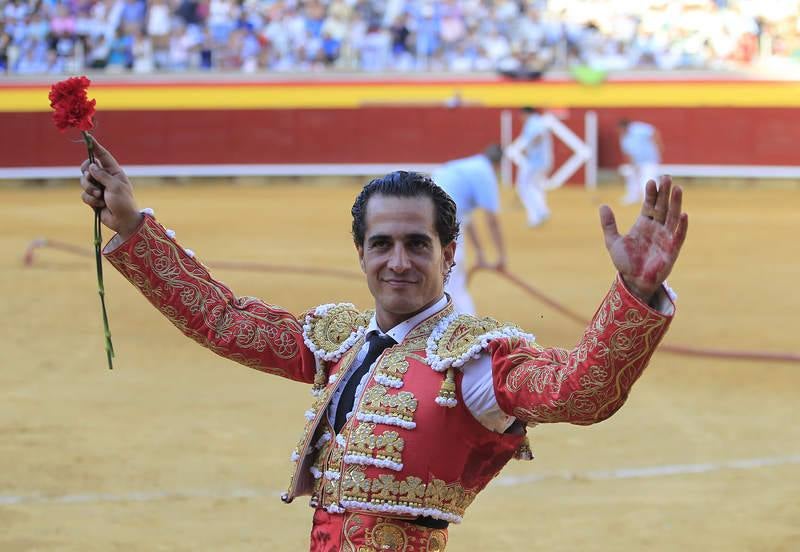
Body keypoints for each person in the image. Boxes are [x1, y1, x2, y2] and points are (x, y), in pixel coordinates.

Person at [79, 137, 688, 551]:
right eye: (382, 244)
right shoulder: (337, 341)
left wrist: (634, 291)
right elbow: (222, 320)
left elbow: (578, 391)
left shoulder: (477, 361)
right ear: (362, 254)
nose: (398, 261)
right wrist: (133, 225)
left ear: (449, 255)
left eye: (417, 244)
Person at [432, 144, 506, 316]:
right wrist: (501, 256)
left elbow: (466, 219)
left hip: (428, 211)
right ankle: (466, 323)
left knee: (444, 271)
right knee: (453, 275)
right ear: (498, 165)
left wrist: (480, 252)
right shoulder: (486, 175)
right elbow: (492, 220)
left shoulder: (469, 167)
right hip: (444, 218)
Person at [505, 106, 554, 227]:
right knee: (535, 187)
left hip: (535, 163)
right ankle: (542, 211)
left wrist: (528, 148)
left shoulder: (533, 122)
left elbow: (538, 136)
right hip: (542, 162)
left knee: (523, 187)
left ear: (526, 114)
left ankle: (536, 216)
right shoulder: (538, 121)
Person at [618, 118, 663, 205]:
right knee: (631, 176)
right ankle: (633, 196)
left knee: (648, 179)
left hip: (649, 159)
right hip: (636, 162)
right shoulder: (623, 138)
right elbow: (627, 153)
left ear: (625, 127)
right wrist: (632, 165)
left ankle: (653, 199)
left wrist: (658, 147)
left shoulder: (638, 129)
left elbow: (654, 132)